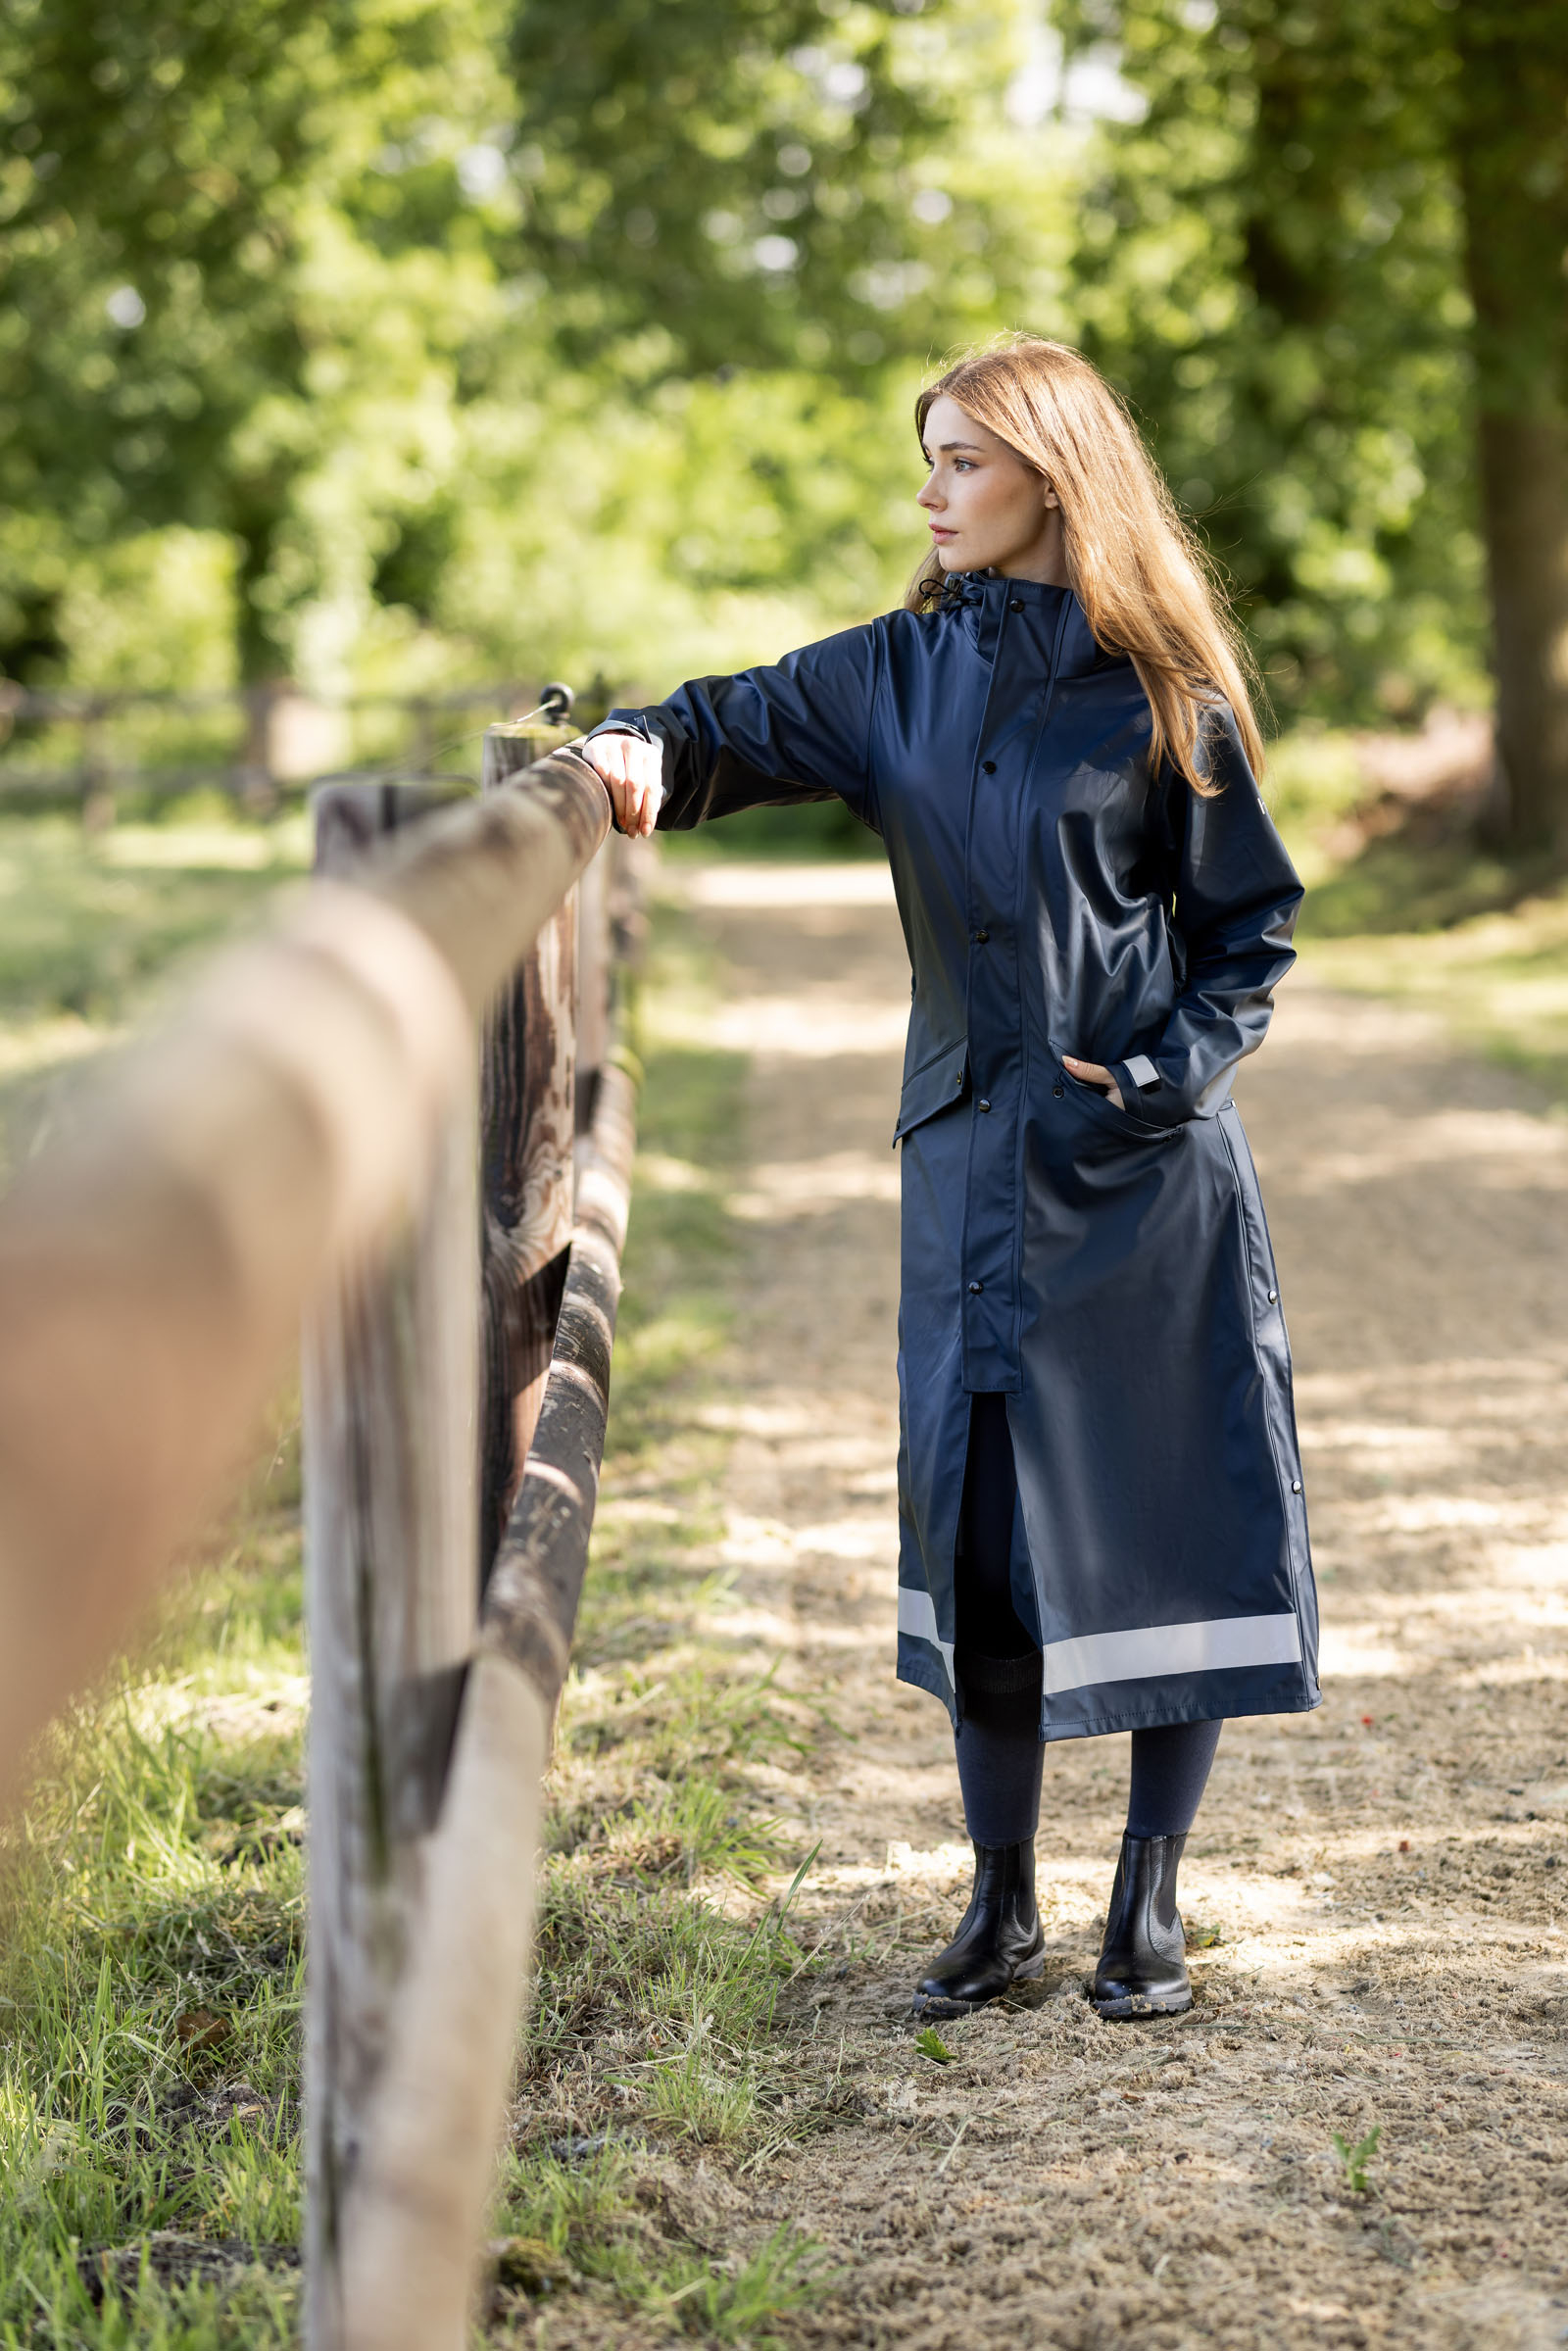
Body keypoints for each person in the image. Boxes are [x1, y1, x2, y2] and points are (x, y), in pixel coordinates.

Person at [580, 335, 1318, 2023]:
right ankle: (1000, 1907)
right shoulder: (895, 676)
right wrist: (619, 745)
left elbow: (1248, 932)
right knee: (980, 1532)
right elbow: (718, 726)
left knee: (1164, 1512)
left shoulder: (1168, 695)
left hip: (1141, 1176)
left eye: (961, 460)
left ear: (1052, 476)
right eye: (929, 457)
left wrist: (1159, 1076)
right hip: (969, 1161)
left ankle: (1148, 1895)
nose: (929, 493)